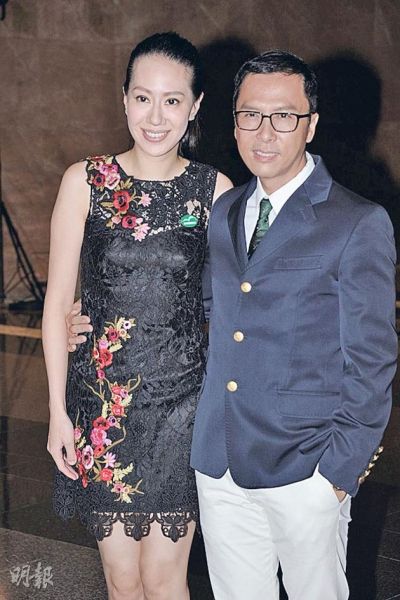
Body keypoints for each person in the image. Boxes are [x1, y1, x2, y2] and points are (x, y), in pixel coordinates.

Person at [189, 50, 397, 599]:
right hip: (220, 460)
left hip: (306, 466)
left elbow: (372, 359)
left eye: (283, 116)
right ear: (234, 121)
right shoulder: (225, 211)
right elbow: (210, 312)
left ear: (311, 124)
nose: (264, 132)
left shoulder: (357, 222)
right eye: (250, 115)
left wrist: (338, 474)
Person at [42, 32, 231, 600]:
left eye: (173, 101)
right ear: (124, 98)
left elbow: (236, 301)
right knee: (121, 581)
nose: (155, 116)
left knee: (163, 579)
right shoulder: (85, 181)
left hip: (182, 404)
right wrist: (57, 413)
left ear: (195, 107)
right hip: (103, 404)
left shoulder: (214, 190)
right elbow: (57, 303)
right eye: (143, 98)